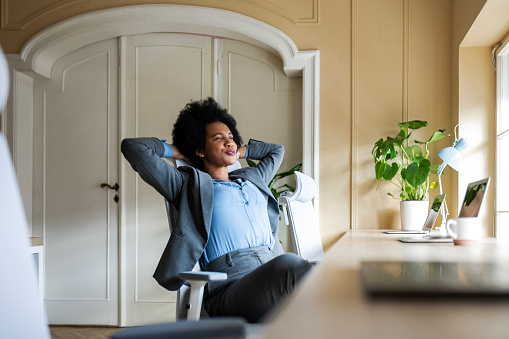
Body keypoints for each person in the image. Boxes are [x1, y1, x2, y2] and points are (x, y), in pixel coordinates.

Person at [121, 98, 312, 323]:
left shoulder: (253, 179)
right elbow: (133, 147)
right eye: (218, 138)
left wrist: (235, 151)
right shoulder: (188, 185)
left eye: (231, 137)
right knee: (292, 267)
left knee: (322, 274)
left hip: (273, 271)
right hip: (230, 286)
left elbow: (276, 151)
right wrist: (181, 152)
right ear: (200, 149)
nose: (229, 142)